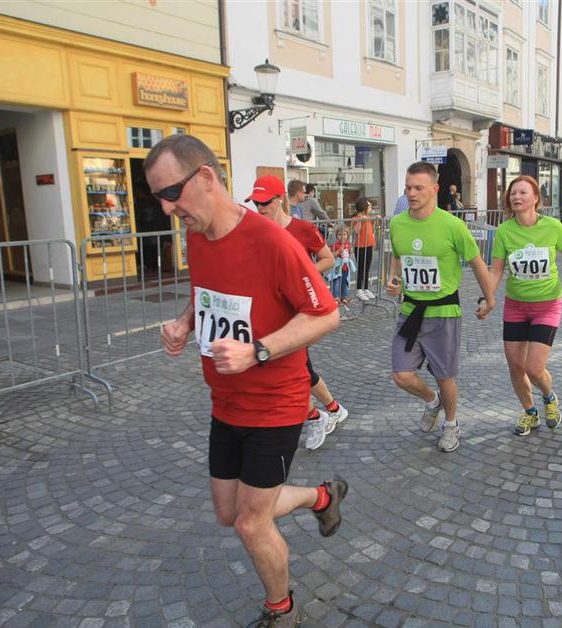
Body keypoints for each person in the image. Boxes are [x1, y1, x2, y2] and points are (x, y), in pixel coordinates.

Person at [147, 135, 347, 626]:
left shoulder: (271, 241)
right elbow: (206, 292)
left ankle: (282, 608)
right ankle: (321, 496)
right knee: (227, 512)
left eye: (171, 193)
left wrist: (258, 350)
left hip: (276, 403)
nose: (168, 208)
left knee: (251, 522)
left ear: (206, 177)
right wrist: (184, 322)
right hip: (226, 402)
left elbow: (326, 314)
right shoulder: (197, 235)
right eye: (158, 198)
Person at [386, 161, 496, 453]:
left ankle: (450, 423)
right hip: (410, 311)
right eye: (408, 188)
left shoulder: (452, 225)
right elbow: (398, 257)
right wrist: (393, 279)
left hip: (443, 313)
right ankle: (431, 401)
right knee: (401, 375)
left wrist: (489, 298)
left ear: (434, 189)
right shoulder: (397, 223)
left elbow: (477, 262)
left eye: (418, 188)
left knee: (444, 376)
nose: (411, 193)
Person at [250, 177, 350, 450]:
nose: (260, 208)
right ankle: (333, 409)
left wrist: (302, 274)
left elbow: (328, 259)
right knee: (299, 368)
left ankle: (316, 416)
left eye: (265, 202)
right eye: (256, 203)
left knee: (291, 370)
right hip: (270, 311)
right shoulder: (256, 231)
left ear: (280, 199)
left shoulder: (303, 229)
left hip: (300, 313)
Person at [489, 175, 562, 436]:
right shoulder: (504, 231)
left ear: (536, 198)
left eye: (523, 193)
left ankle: (549, 397)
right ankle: (530, 412)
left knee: (534, 368)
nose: (516, 197)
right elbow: (496, 270)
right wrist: (487, 297)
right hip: (515, 307)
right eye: (513, 193)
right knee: (516, 367)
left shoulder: (552, 226)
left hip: (547, 305)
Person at [351, 197, 377, 302]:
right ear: (364, 207)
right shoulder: (356, 218)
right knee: (361, 269)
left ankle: (365, 288)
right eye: (370, 207)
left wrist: (375, 218)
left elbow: (371, 230)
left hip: (369, 245)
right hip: (360, 247)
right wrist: (360, 221)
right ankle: (359, 289)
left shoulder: (368, 217)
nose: (371, 209)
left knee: (367, 268)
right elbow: (356, 231)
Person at [328, 225, 355, 305]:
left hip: (345, 268)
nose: (342, 237)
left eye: (344, 234)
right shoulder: (335, 245)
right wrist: (338, 252)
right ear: (337, 236)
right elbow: (332, 255)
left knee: (345, 283)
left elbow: (349, 252)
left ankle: (344, 297)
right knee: (336, 283)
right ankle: (335, 297)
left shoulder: (348, 244)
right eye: (340, 234)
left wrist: (351, 251)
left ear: (347, 235)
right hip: (337, 268)